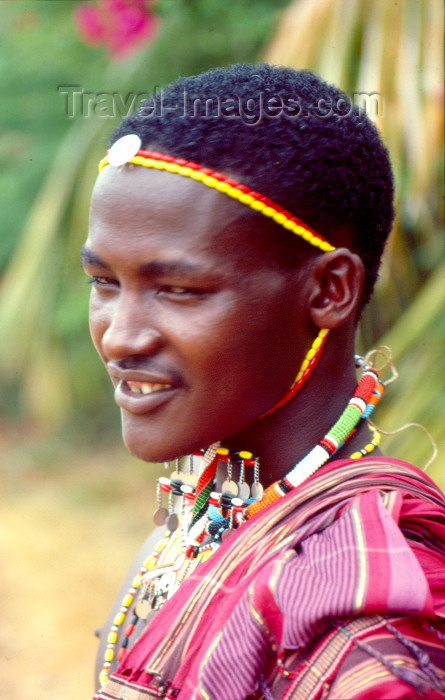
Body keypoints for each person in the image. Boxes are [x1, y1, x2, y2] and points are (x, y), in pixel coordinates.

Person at [81, 64, 445, 699]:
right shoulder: (211, 513)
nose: (119, 336)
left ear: (330, 290)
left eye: (179, 290)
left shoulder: (370, 621)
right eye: (104, 283)